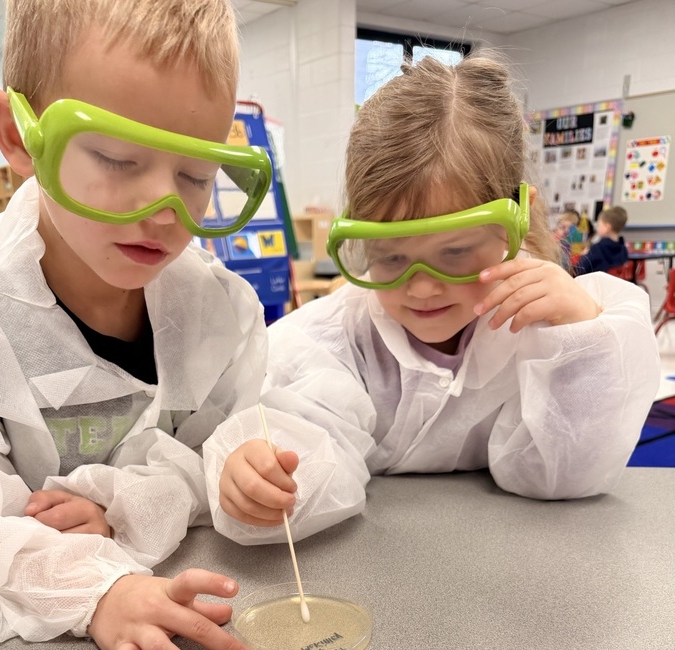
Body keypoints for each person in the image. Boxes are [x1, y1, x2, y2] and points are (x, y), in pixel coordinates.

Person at [0, 0, 275, 650]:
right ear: (18, 137)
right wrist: (96, 590)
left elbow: (219, 451)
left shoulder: (219, 312)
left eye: (196, 174)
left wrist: (126, 505)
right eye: (115, 157)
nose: (163, 209)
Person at [202, 55, 660, 544]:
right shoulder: (332, 340)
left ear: (518, 219)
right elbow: (308, 453)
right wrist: (265, 476)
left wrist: (581, 344)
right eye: (390, 257)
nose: (421, 287)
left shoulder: (557, 322)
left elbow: (565, 477)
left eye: (457, 251)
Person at [573, 205, 629, 276]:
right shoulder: (623, 250)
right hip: (614, 286)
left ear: (607, 227)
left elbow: (579, 270)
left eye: (599, 225)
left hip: (594, 285)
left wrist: (584, 256)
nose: (597, 227)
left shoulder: (597, 249)